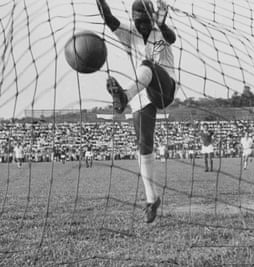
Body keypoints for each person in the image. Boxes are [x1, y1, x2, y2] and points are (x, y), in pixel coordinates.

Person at [96, 0, 177, 223]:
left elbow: (171, 37)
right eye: (137, 21)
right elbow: (109, 18)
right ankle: (152, 199)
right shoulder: (129, 33)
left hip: (165, 87)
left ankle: (123, 96)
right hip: (142, 95)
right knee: (144, 145)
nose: (140, 25)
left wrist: (161, 23)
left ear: (151, 19)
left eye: (144, 21)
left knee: (147, 64)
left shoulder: (159, 32)